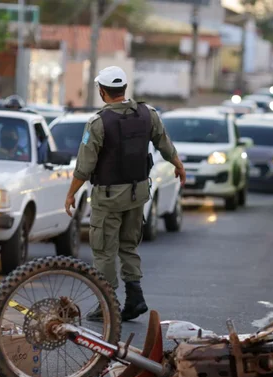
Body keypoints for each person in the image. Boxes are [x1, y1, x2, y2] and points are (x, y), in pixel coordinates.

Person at [64, 66, 187, 322]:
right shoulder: (147, 114)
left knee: (104, 250)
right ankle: (135, 297)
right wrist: (178, 165)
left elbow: (84, 166)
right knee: (129, 246)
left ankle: (106, 303)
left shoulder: (98, 123)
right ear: (124, 89)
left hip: (108, 197)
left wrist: (70, 194)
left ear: (102, 91)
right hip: (137, 194)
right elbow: (164, 143)